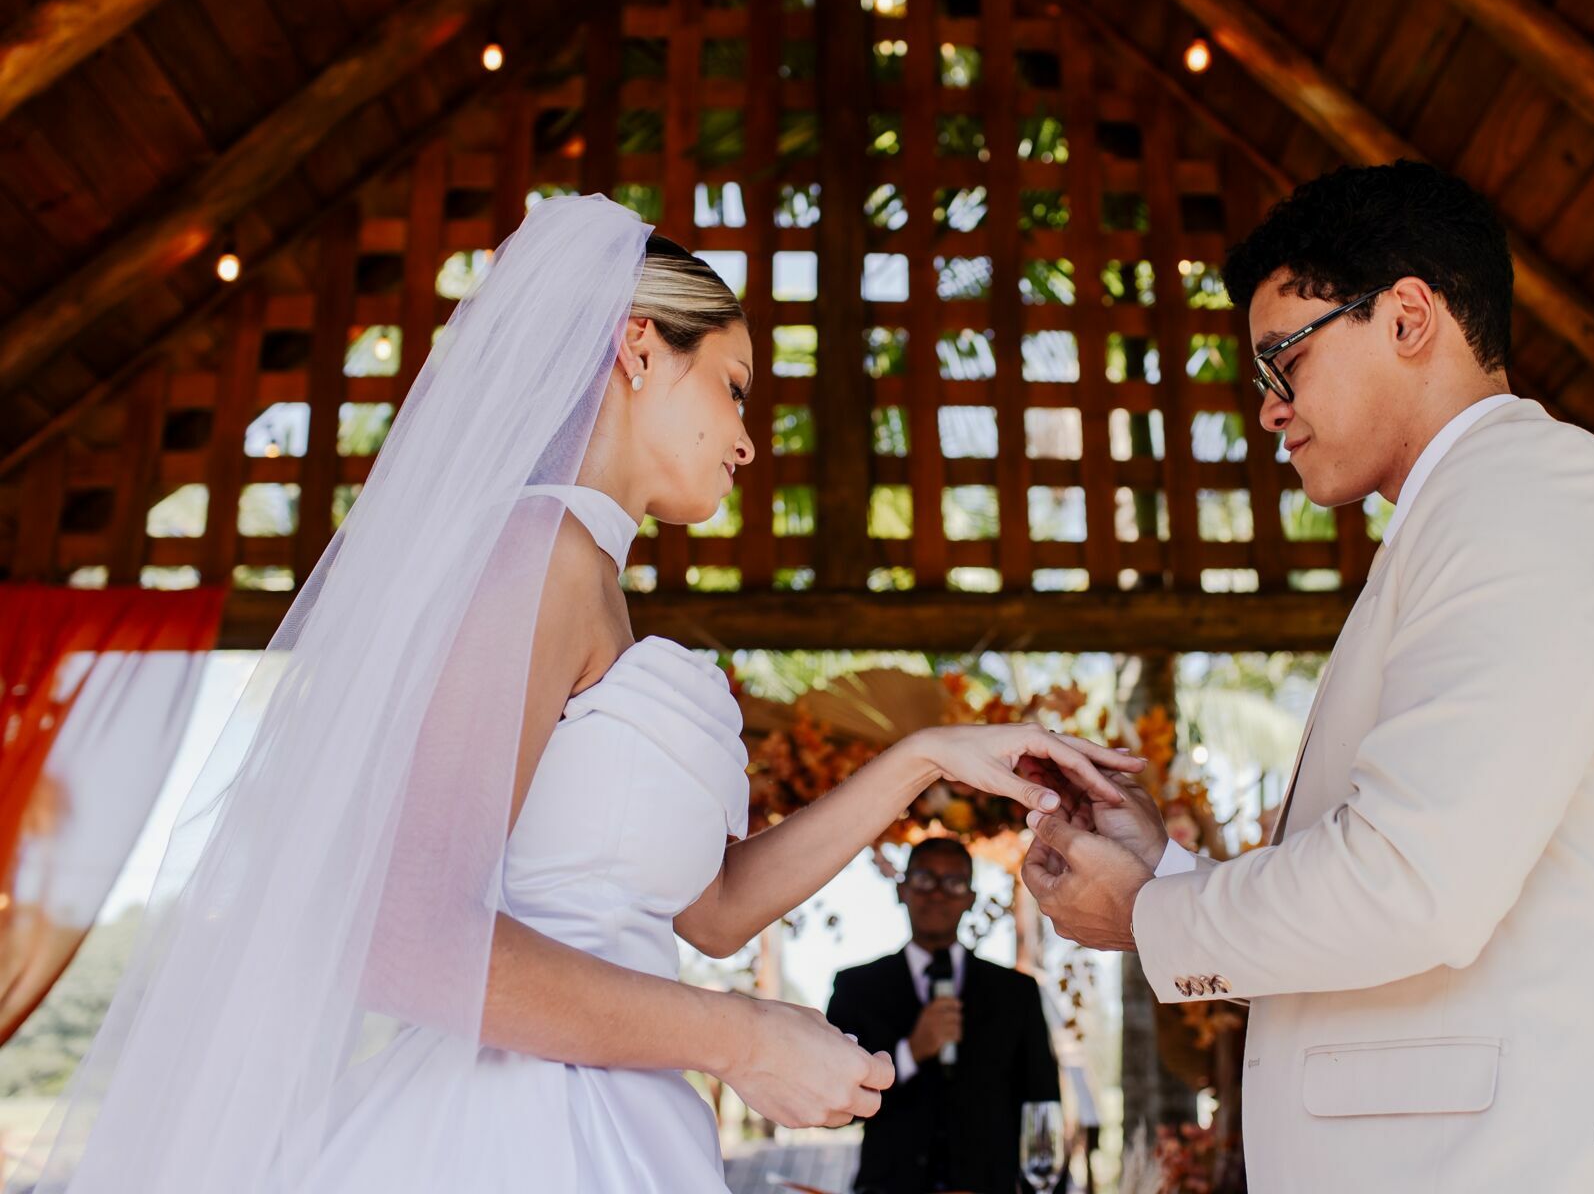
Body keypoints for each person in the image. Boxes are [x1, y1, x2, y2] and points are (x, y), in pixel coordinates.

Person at [10, 195, 1142, 1194]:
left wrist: (924, 756)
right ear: (639, 347)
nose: (750, 440)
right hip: (511, 1130)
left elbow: (708, 908)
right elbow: (404, 934)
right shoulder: (533, 552)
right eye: (735, 386)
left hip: (607, 1112)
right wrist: (738, 1034)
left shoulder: (590, 578)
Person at [1022, 161, 1594, 1192]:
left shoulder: (1529, 496)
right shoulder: (1462, 522)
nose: (1271, 411)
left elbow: (1413, 882)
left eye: (1285, 360)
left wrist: (1150, 915)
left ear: (1409, 317)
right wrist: (1170, 873)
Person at [826, 838, 1061, 1193]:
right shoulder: (856, 987)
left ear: (970, 899)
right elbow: (834, 1105)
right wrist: (909, 1052)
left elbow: (1042, 1105)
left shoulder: (1016, 992)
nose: (937, 893)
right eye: (924, 879)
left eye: (953, 882)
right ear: (902, 890)